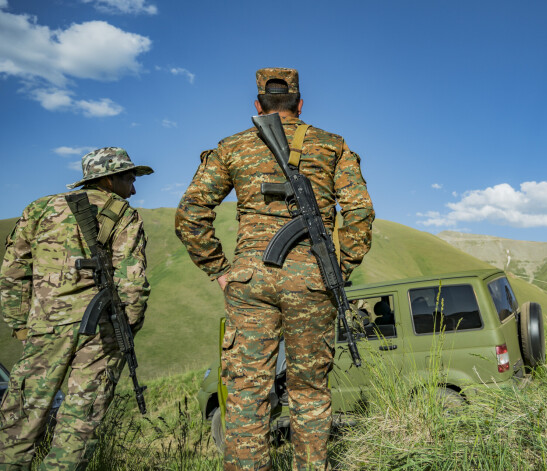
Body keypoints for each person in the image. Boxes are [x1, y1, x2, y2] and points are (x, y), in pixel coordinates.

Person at [175, 67, 375, 470]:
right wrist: (339, 269)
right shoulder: (332, 146)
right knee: (310, 392)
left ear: (258, 104)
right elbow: (359, 212)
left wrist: (220, 270)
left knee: (248, 390)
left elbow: (191, 213)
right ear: (300, 104)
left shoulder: (232, 147)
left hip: (250, 281)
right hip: (313, 282)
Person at [0, 147, 153, 470]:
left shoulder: (38, 209)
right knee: (78, 427)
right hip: (101, 333)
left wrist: (22, 325)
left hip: (44, 328)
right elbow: (133, 284)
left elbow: (13, 272)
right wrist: (124, 332)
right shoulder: (123, 214)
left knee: (19, 423)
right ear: (109, 180)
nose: (134, 188)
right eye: (129, 178)